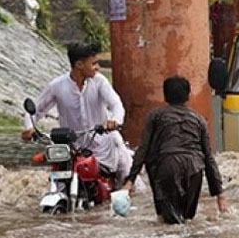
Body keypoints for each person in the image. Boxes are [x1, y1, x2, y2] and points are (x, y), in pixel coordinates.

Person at [22, 42, 135, 183]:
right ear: (79, 65)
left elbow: (116, 104)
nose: (98, 67)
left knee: (127, 177)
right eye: (94, 63)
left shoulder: (100, 82)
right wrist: (30, 128)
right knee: (59, 179)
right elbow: (35, 111)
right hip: (72, 147)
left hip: (105, 144)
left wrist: (114, 121)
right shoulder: (56, 86)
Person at [124, 76, 227, 224]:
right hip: (194, 169)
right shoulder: (199, 120)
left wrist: (130, 181)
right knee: (187, 221)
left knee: (169, 223)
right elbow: (208, 157)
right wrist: (219, 193)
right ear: (188, 95)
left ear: (165, 95)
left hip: (167, 166)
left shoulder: (155, 116)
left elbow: (143, 149)